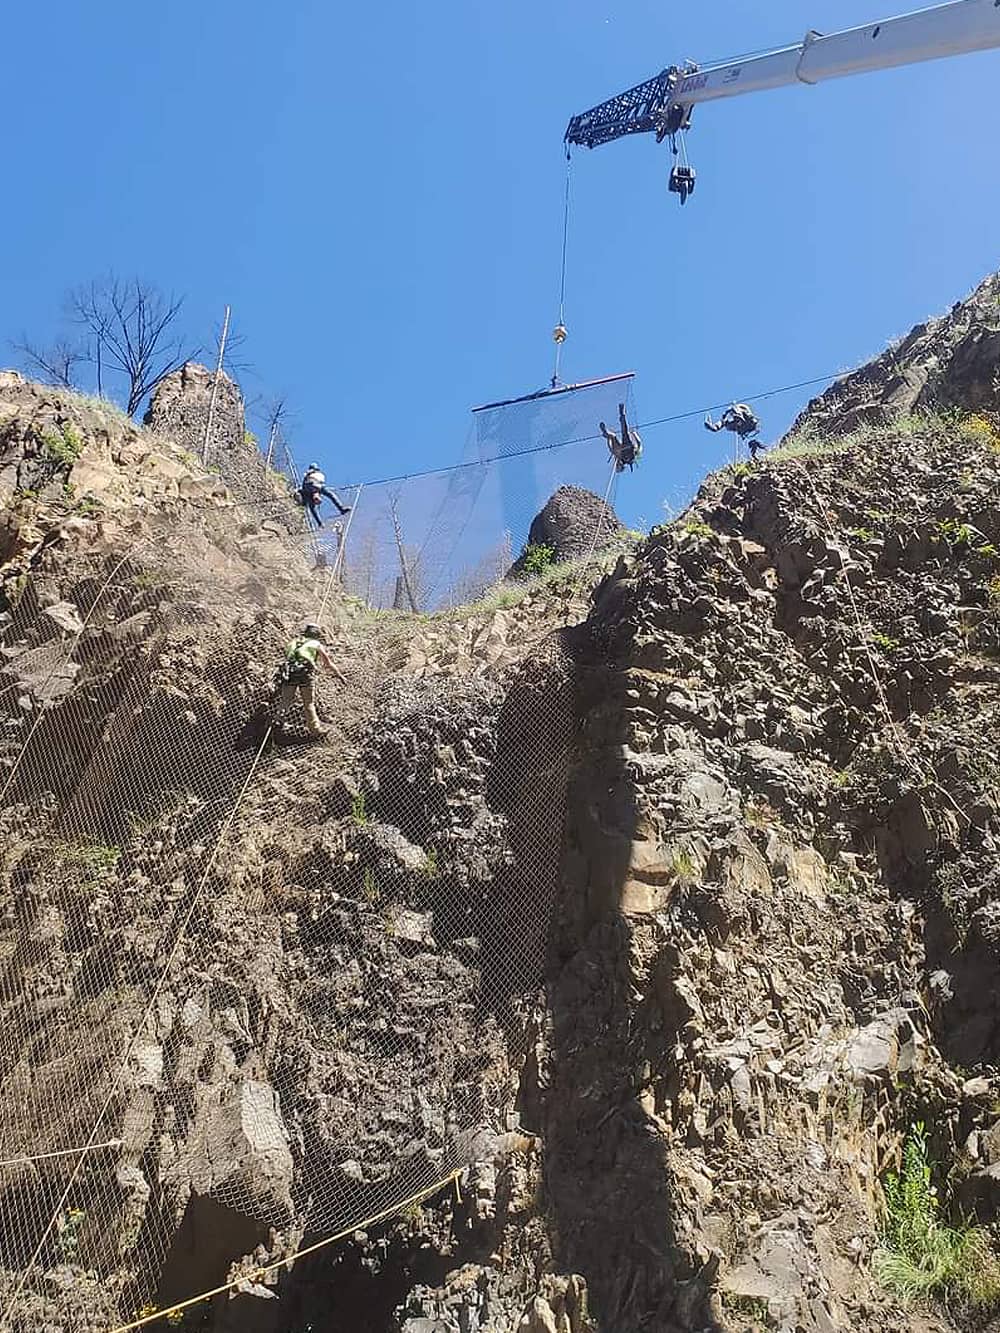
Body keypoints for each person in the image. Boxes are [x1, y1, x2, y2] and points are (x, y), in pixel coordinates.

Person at [273, 621, 344, 739]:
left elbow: (287, 656)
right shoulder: (316, 643)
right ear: (316, 634)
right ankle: (315, 730)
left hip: (290, 673)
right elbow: (327, 663)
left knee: (286, 700)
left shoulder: (293, 642)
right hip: (305, 674)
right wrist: (340, 675)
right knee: (309, 703)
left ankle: (277, 721)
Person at [300, 464, 350, 529]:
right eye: (317, 500)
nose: (317, 500)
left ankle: (341, 509)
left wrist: (320, 523)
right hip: (314, 485)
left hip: (312, 485)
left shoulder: (311, 494)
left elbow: (313, 509)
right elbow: (313, 510)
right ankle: (341, 509)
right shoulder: (312, 492)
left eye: (316, 500)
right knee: (330, 495)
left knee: (329, 495)